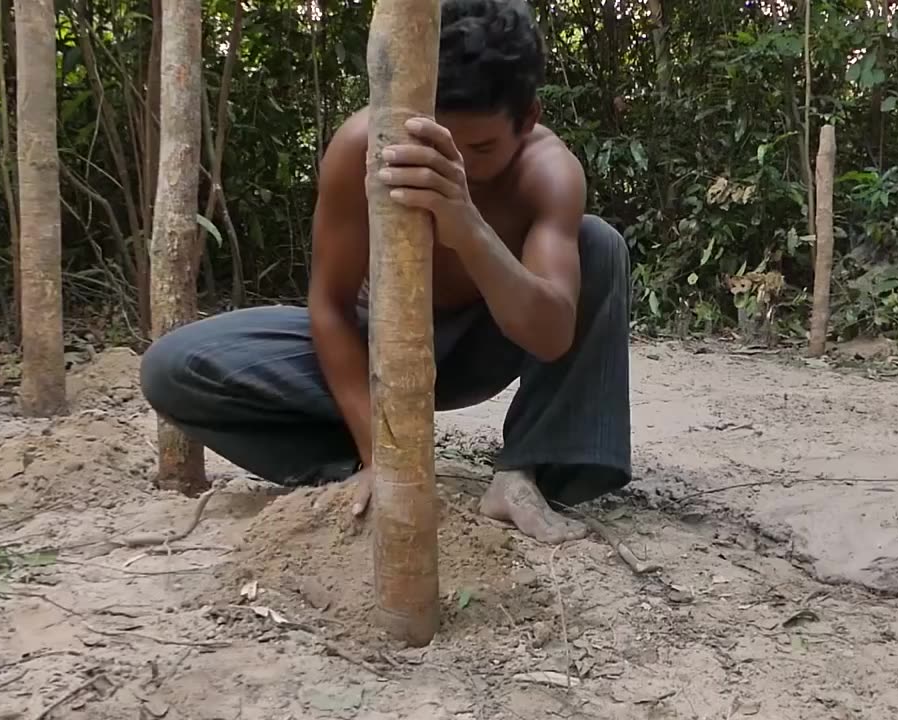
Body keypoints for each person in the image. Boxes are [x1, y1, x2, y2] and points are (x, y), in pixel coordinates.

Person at [139, 0, 632, 544]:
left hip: (483, 345)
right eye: (435, 139)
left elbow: (553, 333)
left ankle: (524, 471)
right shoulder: (364, 146)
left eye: (481, 147)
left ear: (529, 119)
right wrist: (383, 457)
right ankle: (351, 466)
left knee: (598, 243)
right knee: (173, 368)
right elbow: (329, 305)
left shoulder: (549, 172)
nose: (453, 162)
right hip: (374, 344)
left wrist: (467, 227)